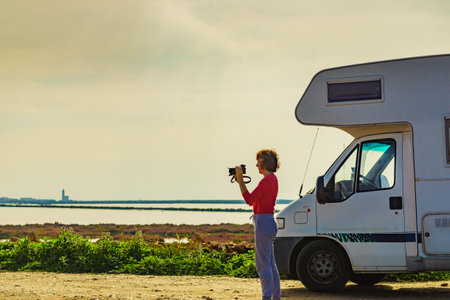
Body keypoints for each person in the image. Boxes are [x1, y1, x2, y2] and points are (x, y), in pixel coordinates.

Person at [234, 149, 281, 300]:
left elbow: (249, 200)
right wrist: (240, 180)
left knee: (263, 265)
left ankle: (266, 296)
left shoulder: (267, 181)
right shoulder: (272, 179)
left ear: (265, 163)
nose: (256, 165)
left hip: (263, 222)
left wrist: (240, 180)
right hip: (268, 221)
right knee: (270, 264)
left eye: (258, 161)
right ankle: (275, 297)